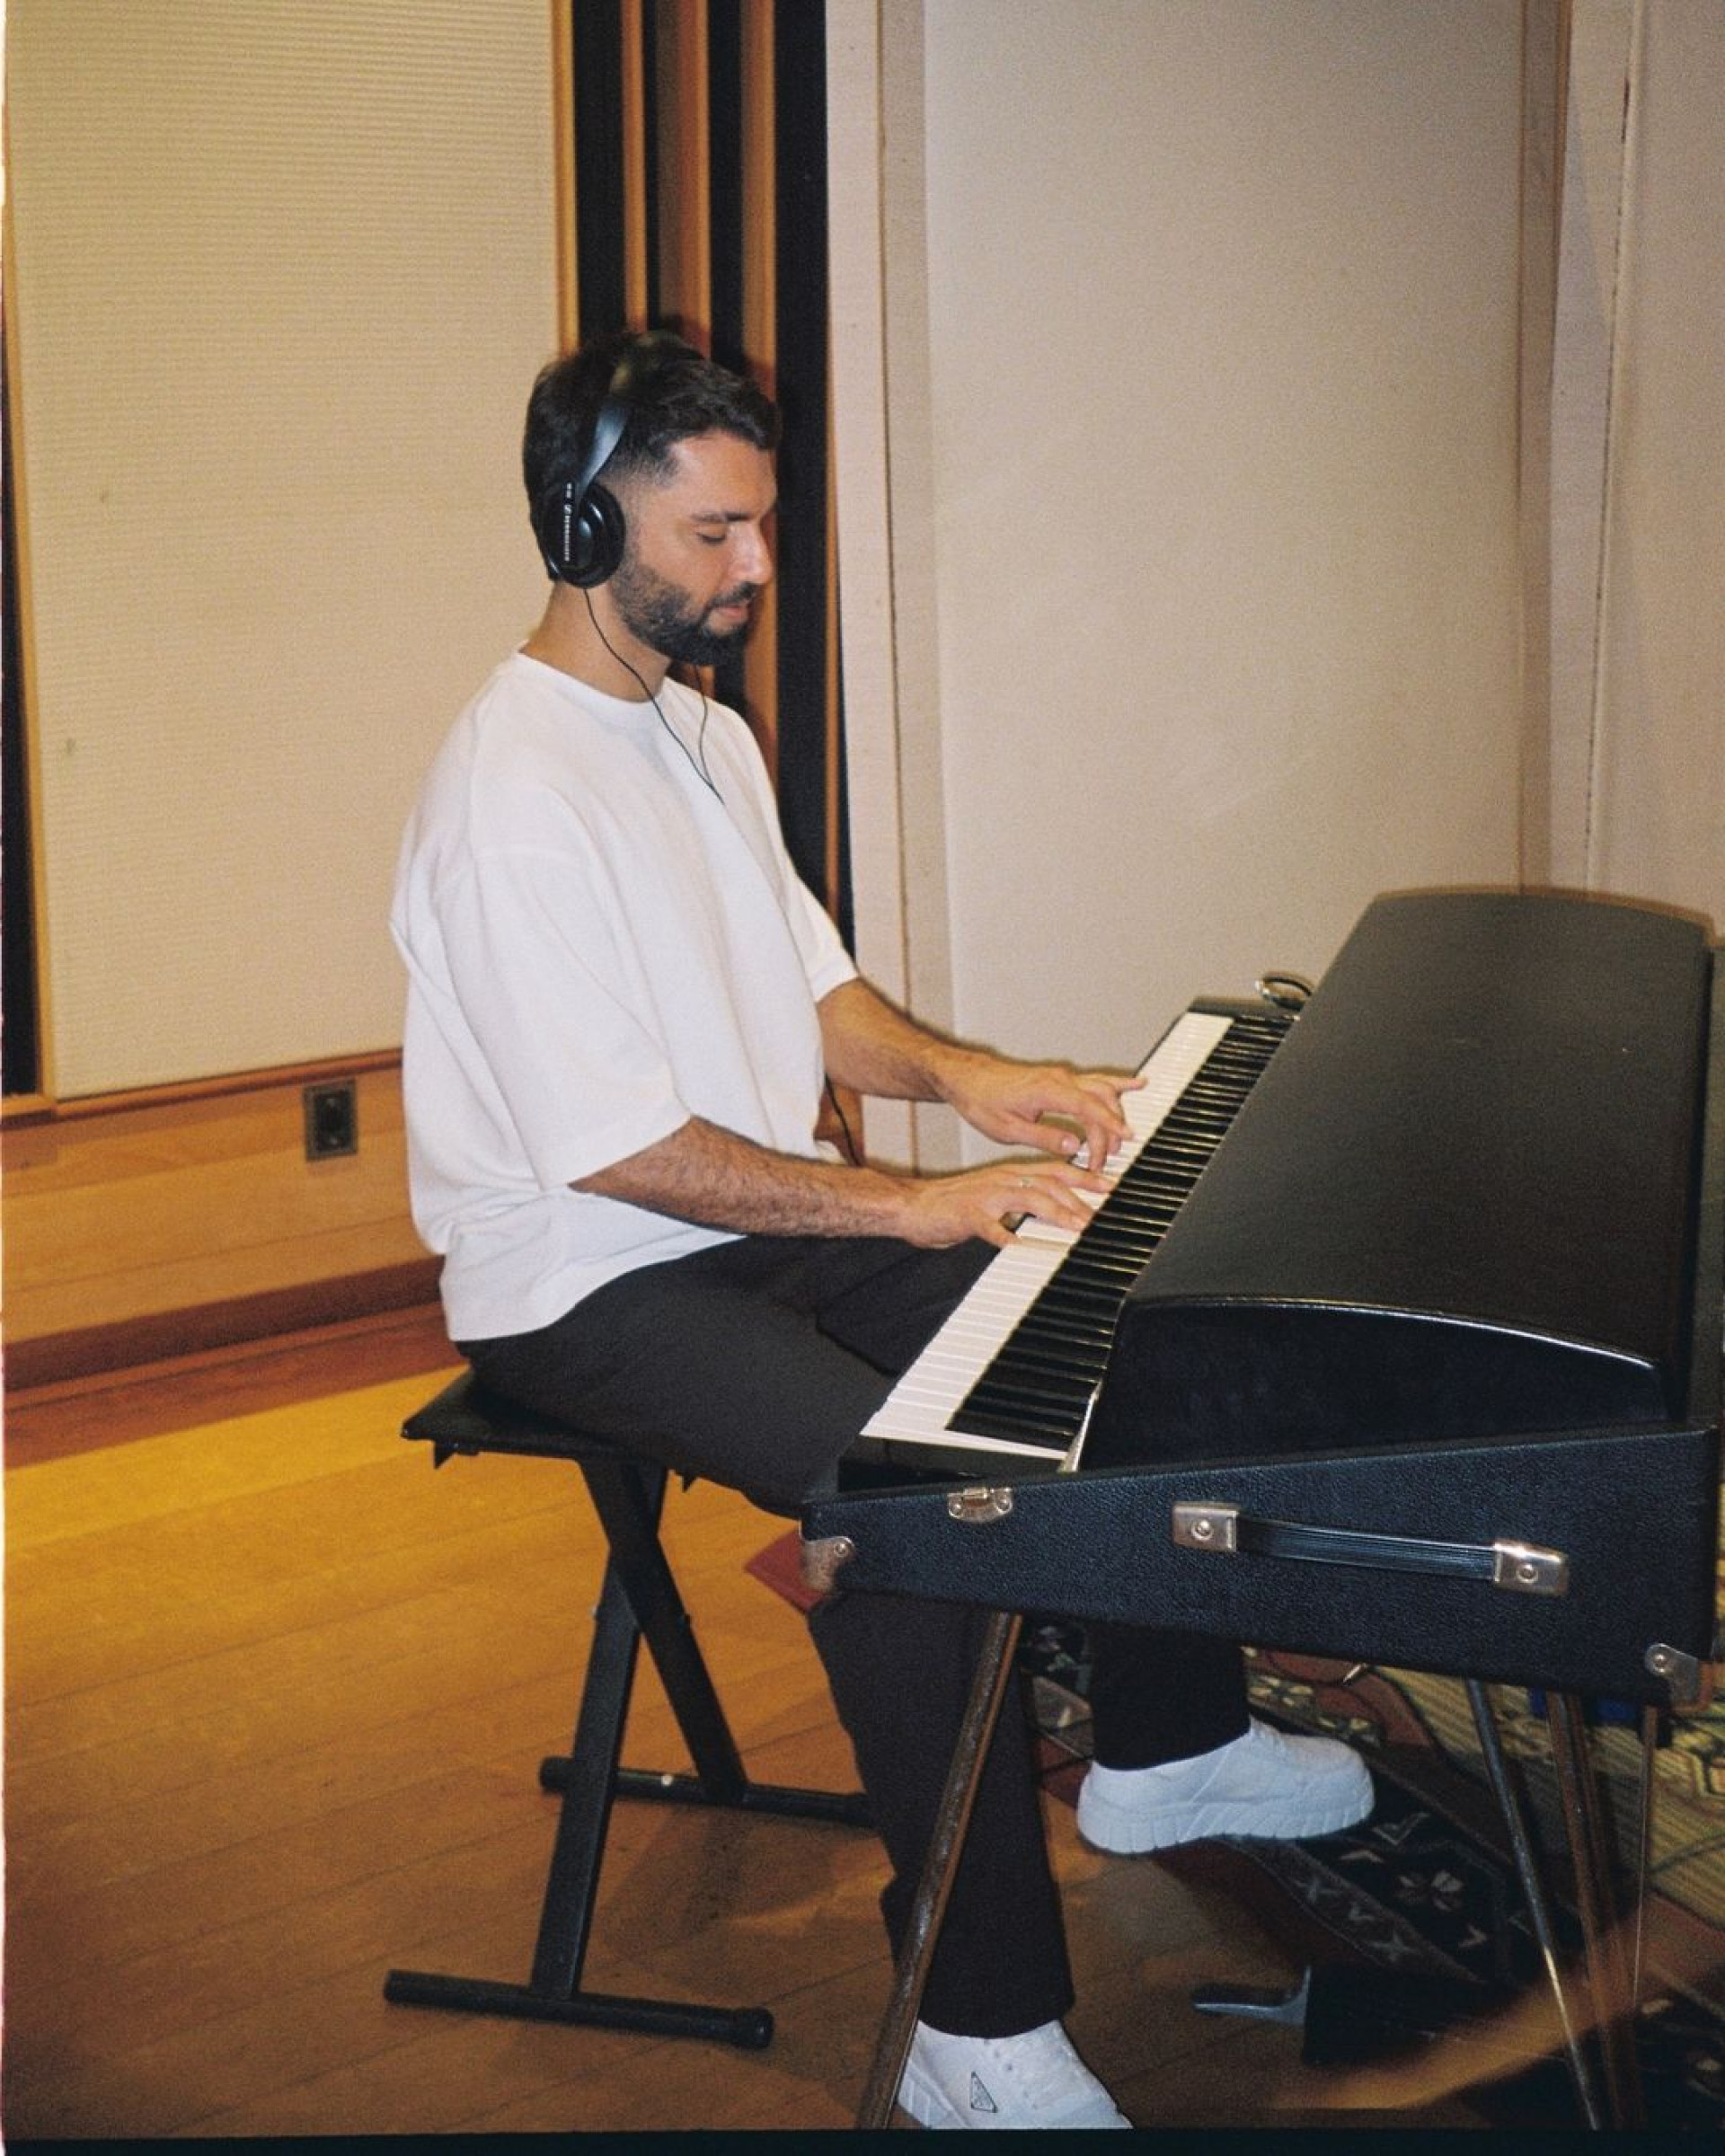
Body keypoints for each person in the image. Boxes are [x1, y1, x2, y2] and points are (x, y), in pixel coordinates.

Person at [391, 329, 1372, 2130]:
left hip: (730, 1223)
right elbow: (619, 1155)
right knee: (908, 1515)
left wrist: (979, 1084)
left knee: (1103, 1308)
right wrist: (914, 1206)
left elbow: (818, 995)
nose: (756, 566)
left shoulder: (696, 733)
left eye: (760, 525)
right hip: (579, 1278)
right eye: (713, 534)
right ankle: (970, 2027)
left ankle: (1168, 1746)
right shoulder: (508, 803)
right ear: (583, 527)